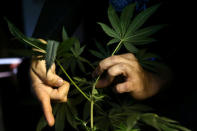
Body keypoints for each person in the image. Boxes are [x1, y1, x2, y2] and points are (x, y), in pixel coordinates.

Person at [30, 0, 171, 128]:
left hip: (162, 105)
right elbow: (57, 22)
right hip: (93, 84)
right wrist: (43, 54)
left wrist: (152, 82)